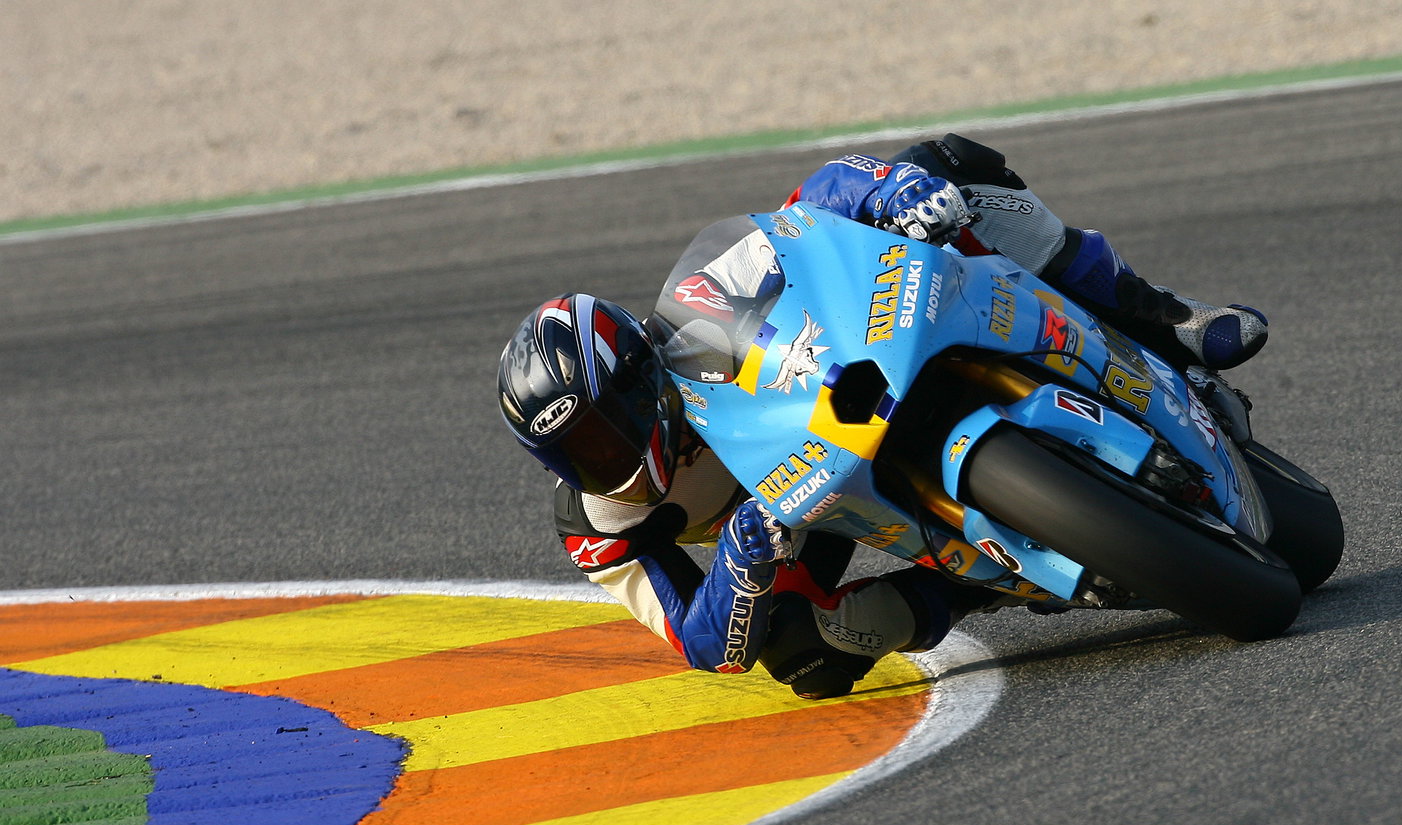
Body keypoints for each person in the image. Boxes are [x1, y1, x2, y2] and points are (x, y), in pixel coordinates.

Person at [497, 134, 1268, 699]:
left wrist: (891, 195)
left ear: (640, 379)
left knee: (946, 165)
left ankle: (1161, 319)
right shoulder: (597, 524)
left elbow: (808, 207)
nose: (606, 459)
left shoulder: (697, 314)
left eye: (602, 429)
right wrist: (739, 566)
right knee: (807, 659)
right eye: (576, 454)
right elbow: (702, 643)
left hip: (845, 384)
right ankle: (996, 581)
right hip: (801, 514)